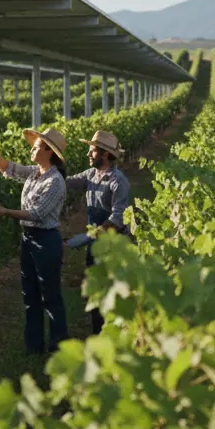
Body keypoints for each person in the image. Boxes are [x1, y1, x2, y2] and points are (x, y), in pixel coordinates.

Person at [0, 128, 69, 354]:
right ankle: (34, 347)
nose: (32, 149)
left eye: (36, 146)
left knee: (50, 296)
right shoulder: (35, 173)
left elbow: (37, 214)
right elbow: (10, 169)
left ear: (48, 151)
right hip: (29, 240)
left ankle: (59, 348)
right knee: (30, 294)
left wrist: (5, 211)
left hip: (46, 241)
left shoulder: (55, 181)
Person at [63, 130, 131, 335]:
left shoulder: (118, 182)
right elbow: (67, 182)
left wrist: (89, 236)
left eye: (92, 151)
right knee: (95, 289)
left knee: (111, 289)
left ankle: (114, 334)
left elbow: (117, 219)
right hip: (96, 240)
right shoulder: (90, 174)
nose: (88, 155)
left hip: (113, 243)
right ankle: (98, 334)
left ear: (104, 155)